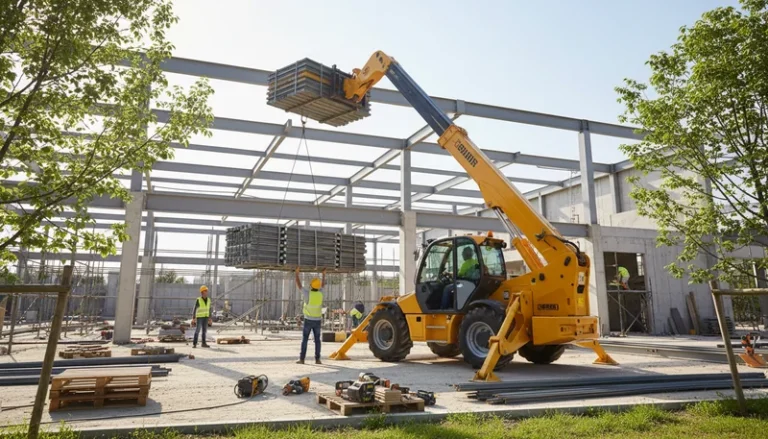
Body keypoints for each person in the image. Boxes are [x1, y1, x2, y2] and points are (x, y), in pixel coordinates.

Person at [296, 267, 326, 365]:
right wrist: (324, 274)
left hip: (308, 320)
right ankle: (317, 359)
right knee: (317, 341)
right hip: (317, 321)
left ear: (311, 286)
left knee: (305, 340)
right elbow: (323, 285)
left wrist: (297, 274)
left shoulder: (307, 294)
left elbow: (299, 285)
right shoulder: (320, 293)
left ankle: (302, 359)